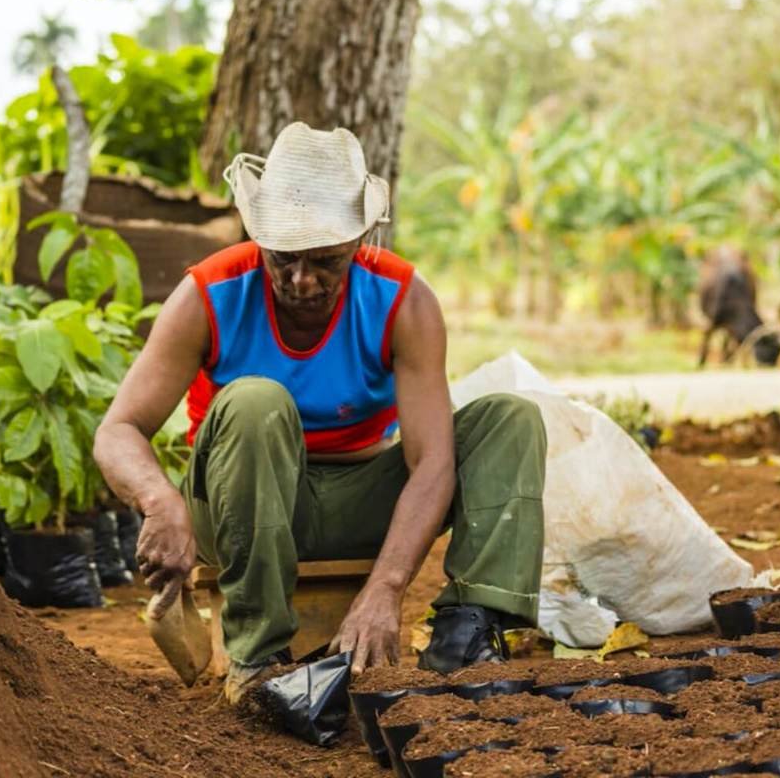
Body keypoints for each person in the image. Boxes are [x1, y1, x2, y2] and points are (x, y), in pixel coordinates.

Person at [94, 122, 546, 704]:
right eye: (284, 258)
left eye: (326, 261)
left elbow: (432, 461)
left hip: (359, 499)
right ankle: (259, 660)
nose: (302, 280)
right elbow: (118, 429)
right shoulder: (209, 293)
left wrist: (386, 587)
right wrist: (160, 502)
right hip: (237, 509)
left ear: (361, 238)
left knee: (510, 420)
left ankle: (464, 639)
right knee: (256, 399)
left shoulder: (404, 300)